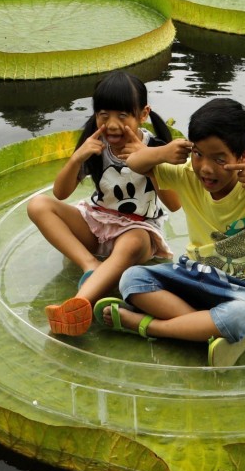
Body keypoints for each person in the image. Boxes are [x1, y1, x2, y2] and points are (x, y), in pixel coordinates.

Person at [94, 98, 245, 366]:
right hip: (194, 274)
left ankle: (150, 326)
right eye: (198, 154)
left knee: (239, 316)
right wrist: (164, 152)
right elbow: (136, 163)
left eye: (219, 159)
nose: (205, 168)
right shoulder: (188, 174)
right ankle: (209, 330)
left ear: (243, 156)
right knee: (132, 279)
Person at [28, 71, 180, 337]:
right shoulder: (95, 146)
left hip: (137, 232)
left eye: (123, 116)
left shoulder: (155, 148)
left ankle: (79, 304)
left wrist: (149, 163)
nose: (112, 124)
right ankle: (90, 265)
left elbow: (175, 204)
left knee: (133, 240)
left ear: (143, 114)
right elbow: (60, 193)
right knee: (38, 205)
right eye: (104, 115)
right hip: (96, 224)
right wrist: (77, 158)